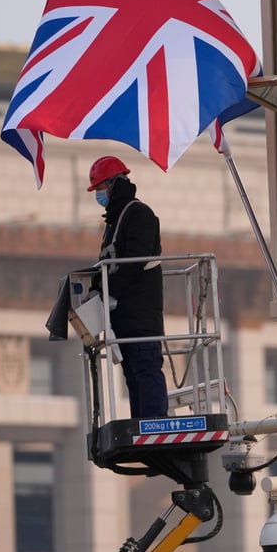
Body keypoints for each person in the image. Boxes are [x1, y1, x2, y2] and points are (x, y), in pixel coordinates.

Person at [87, 156, 169, 419]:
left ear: (114, 184)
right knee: (134, 374)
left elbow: (134, 262)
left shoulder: (139, 215)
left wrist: (110, 291)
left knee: (146, 368)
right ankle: (142, 424)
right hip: (125, 317)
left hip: (141, 315)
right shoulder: (114, 222)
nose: (99, 195)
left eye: (100, 188)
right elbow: (110, 264)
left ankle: (154, 424)